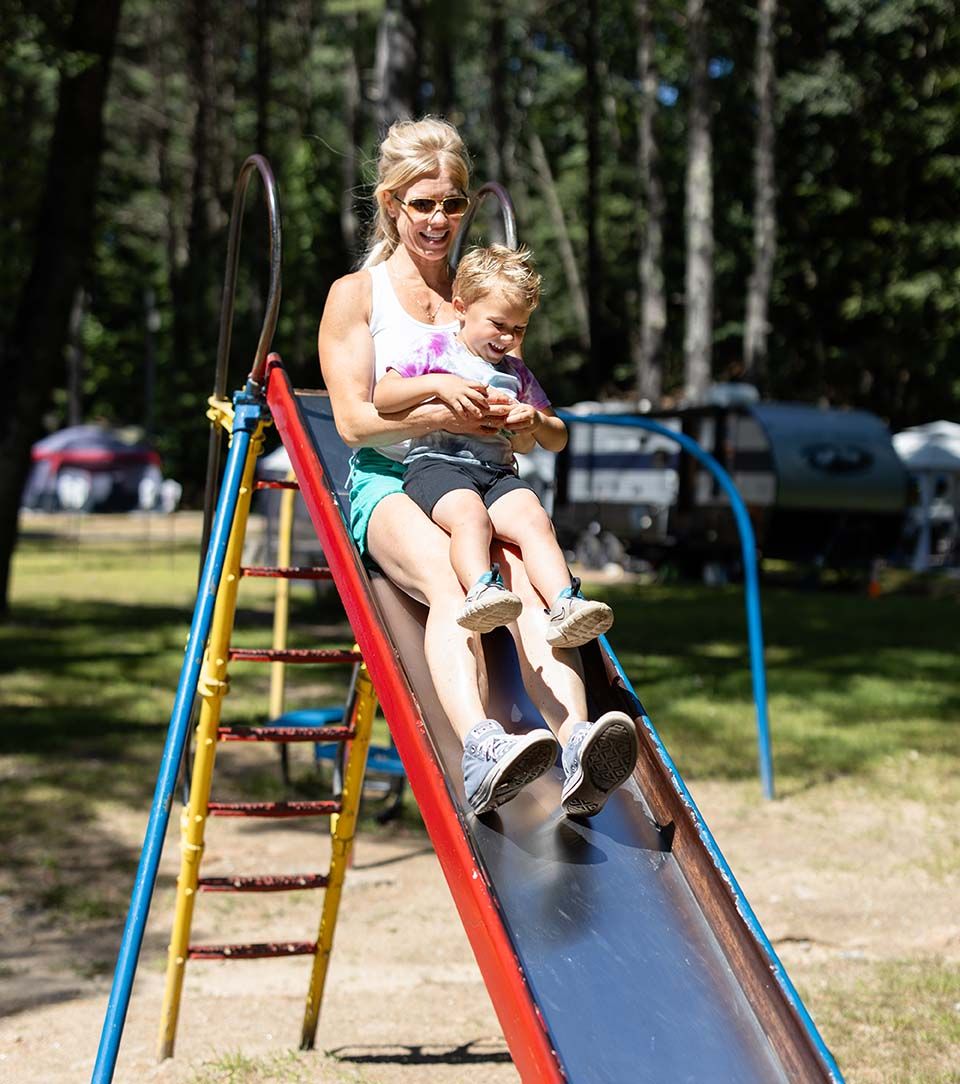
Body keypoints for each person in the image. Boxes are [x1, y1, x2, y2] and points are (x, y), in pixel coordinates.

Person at [317, 116, 638, 817]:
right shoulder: (357, 294)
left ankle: (579, 739)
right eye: (423, 203)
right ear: (392, 201)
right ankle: (483, 748)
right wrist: (442, 412)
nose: (439, 219)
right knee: (446, 574)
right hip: (391, 478)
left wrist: (515, 424)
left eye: (453, 202)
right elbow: (352, 421)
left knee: (523, 579)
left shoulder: (477, 290)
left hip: (478, 472)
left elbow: (520, 393)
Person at [372, 242, 614, 649]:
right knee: (471, 517)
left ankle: (564, 604)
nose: (507, 338)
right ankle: (480, 590)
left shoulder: (515, 372)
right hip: (438, 465)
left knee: (535, 519)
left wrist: (534, 420)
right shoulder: (435, 353)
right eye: (498, 324)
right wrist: (437, 384)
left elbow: (557, 437)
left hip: (496, 472)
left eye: (518, 330)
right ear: (462, 307)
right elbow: (384, 397)